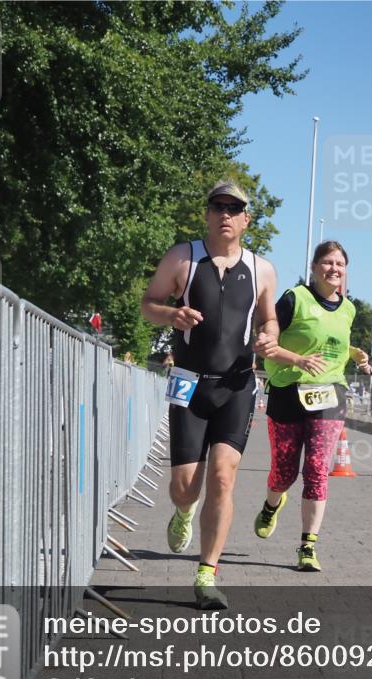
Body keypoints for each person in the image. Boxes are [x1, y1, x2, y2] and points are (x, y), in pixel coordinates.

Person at [141, 179, 278, 609]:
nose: (225, 214)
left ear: (246, 220)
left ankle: (207, 572)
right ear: (207, 213)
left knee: (223, 476)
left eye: (234, 208)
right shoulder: (183, 257)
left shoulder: (261, 269)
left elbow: (269, 321)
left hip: (237, 385)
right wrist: (171, 313)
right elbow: (148, 304)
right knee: (185, 487)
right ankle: (183, 512)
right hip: (187, 381)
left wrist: (268, 338)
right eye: (218, 206)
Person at [252, 241, 371, 572]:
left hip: (330, 395)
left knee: (318, 468)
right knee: (284, 472)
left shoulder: (348, 309)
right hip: (288, 391)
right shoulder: (294, 299)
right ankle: (271, 504)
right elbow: (264, 344)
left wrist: (353, 353)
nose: (335, 268)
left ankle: (308, 546)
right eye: (328, 262)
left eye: (341, 264)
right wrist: (298, 360)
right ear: (315, 266)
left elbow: (333, 343)